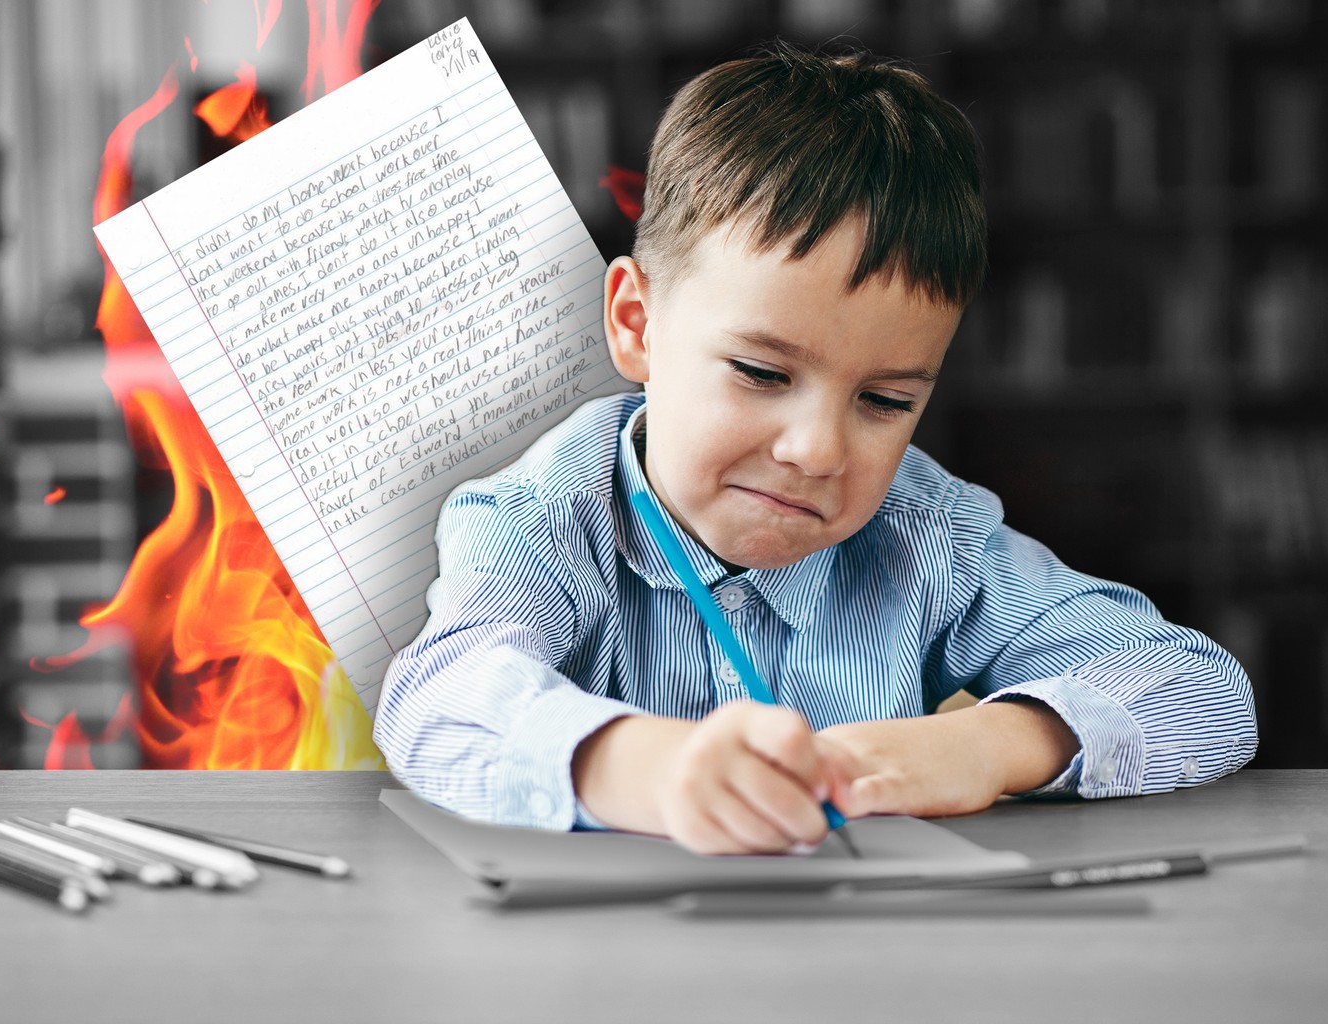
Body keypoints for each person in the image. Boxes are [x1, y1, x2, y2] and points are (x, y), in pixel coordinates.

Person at [372, 44, 1257, 855]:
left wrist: (984, 745)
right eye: (761, 372)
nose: (817, 450)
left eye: (885, 400)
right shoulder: (542, 519)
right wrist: (650, 772)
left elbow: (1199, 686)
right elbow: (439, 701)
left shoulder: (928, 531)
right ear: (637, 325)